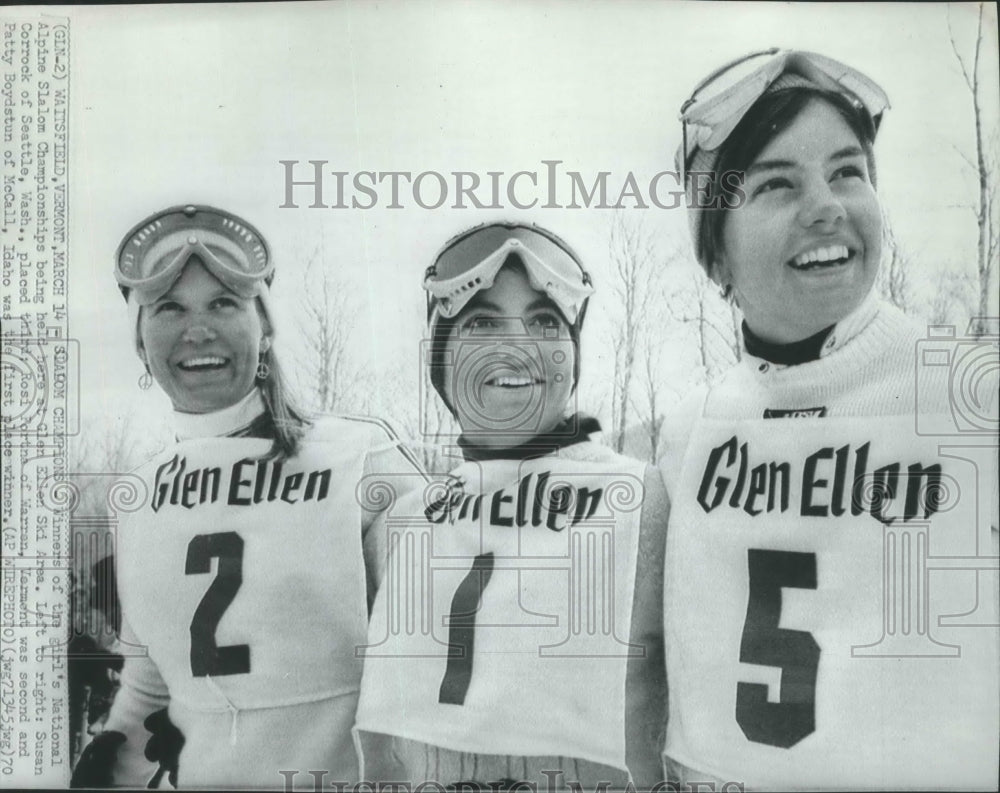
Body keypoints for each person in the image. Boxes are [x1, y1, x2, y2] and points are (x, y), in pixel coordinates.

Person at [659, 49, 999, 789]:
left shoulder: (973, 402)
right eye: (777, 183)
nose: (826, 205)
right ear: (715, 253)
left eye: (848, 171)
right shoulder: (685, 435)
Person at [70, 204, 425, 789]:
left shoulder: (360, 461)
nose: (198, 329)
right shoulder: (135, 498)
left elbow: (440, 659)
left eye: (223, 304)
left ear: (264, 329)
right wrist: (111, 765)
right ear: (140, 340)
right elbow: (148, 684)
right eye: (170, 308)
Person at [354, 223, 668, 789]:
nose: (517, 345)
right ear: (442, 357)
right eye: (482, 321)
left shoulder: (645, 505)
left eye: (546, 320)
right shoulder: (395, 526)